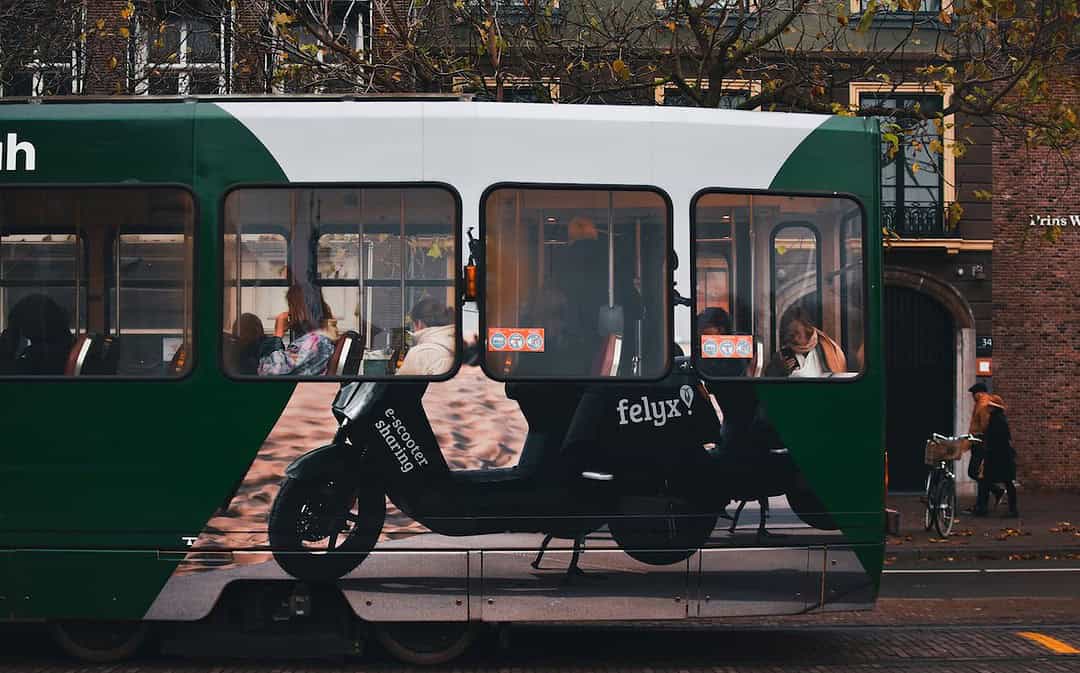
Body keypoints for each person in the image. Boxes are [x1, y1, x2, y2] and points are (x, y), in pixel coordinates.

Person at [258, 285, 335, 376]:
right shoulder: (317, 339)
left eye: (291, 306)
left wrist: (278, 334)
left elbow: (271, 371)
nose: (289, 312)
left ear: (298, 309)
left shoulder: (313, 342)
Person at [967, 382, 1019, 517]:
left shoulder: (995, 418)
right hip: (997, 452)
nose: (988, 409)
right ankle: (984, 505)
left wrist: (986, 447)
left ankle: (999, 505)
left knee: (985, 477)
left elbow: (991, 433)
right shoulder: (998, 418)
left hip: (995, 452)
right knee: (987, 478)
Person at [0, 294, 74, 375]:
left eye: (17, 330)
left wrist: (5, 348)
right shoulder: (65, 349)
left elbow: (8, 373)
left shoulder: (42, 358)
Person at [764, 307, 846, 378]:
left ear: (808, 330)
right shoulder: (782, 356)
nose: (795, 339)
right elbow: (769, 379)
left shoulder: (827, 349)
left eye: (798, 333)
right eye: (791, 335)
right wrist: (780, 370)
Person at [396, 297, 455, 376]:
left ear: (419, 323)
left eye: (413, 325)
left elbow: (398, 386)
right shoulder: (460, 344)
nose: (413, 330)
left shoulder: (420, 353)